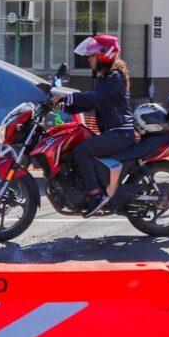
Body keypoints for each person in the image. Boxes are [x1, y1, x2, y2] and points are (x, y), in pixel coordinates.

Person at [52, 35, 137, 216]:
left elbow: (94, 97)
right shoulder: (104, 78)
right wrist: (64, 105)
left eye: (91, 56)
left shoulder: (112, 78)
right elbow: (90, 104)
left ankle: (95, 194)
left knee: (81, 150)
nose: (89, 59)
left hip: (120, 133)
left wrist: (68, 96)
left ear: (104, 55)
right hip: (115, 132)